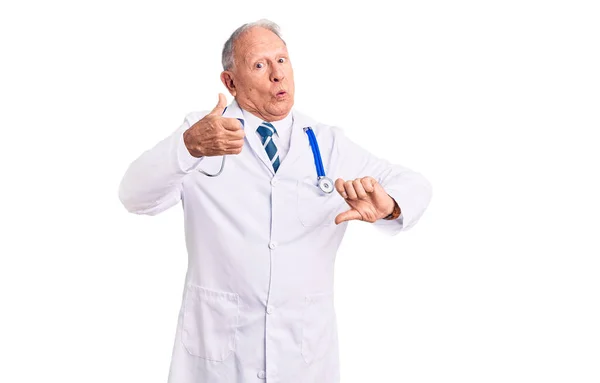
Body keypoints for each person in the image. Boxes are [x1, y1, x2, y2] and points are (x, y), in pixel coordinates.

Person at [118, 19, 432, 383]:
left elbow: (416, 184)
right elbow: (133, 195)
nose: (277, 75)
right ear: (230, 82)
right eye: (259, 65)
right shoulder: (204, 134)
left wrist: (390, 205)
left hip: (303, 359)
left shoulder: (326, 143)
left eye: (281, 61)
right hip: (217, 361)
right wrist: (188, 147)